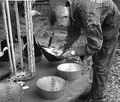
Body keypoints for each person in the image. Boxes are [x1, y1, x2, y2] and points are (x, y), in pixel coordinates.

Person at [49, 0, 120, 102]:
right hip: (99, 18)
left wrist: (72, 53)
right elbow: (73, 33)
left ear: (65, 16)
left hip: (110, 24)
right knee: (96, 60)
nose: (63, 27)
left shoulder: (88, 15)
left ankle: (97, 98)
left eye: (61, 25)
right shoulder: (70, 10)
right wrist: (63, 46)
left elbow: (95, 46)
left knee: (101, 65)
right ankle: (94, 92)